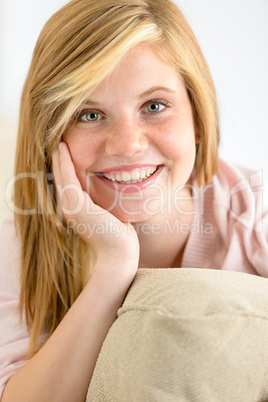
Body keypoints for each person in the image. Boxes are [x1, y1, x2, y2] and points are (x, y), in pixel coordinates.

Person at [0, 0, 267, 400]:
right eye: (88, 114)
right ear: (49, 136)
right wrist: (114, 264)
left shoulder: (255, 211)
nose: (127, 145)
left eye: (154, 106)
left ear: (197, 117)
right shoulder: (19, 243)